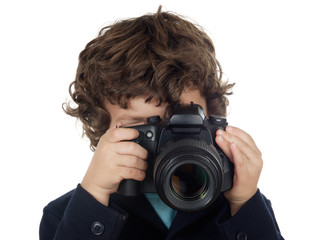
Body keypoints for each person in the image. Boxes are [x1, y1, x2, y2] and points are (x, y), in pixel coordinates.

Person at [40, 6, 284, 240]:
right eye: (140, 127)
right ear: (102, 129)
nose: (164, 142)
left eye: (179, 122)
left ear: (212, 121)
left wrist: (244, 203)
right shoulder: (66, 214)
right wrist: (93, 196)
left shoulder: (238, 208)